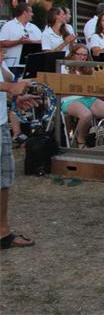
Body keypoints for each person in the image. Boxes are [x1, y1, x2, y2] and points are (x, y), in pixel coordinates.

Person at [0, 59, 39, 250]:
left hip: (1, 125)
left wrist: (13, 99)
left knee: (3, 181)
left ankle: (3, 233)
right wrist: (10, 87)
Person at [60, 44, 104, 148]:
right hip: (69, 99)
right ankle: (80, 140)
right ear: (72, 55)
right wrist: (80, 90)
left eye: (85, 55)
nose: (82, 57)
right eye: (79, 54)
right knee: (86, 115)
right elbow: (59, 89)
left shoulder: (89, 69)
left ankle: (99, 135)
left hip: (88, 97)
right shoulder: (64, 67)